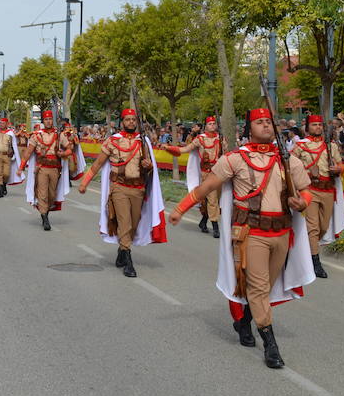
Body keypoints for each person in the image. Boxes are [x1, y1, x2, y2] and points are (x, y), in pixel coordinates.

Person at [168, 107, 314, 369]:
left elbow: (306, 192)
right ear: (249, 128)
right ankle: (270, 344)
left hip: (281, 232)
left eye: (269, 122)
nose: (266, 126)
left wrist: (302, 203)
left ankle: (244, 320)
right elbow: (207, 186)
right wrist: (180, 209)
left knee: (265, 288)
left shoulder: (288, 160)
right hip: (251, 233)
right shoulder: (235, 159)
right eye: (260, 122)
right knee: (258, 288)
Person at [79, 108, 165, 277]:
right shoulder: (113, 141)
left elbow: (150, 171)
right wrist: (84, 183)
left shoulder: (144, 142)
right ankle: (128, 262)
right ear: (122, 122)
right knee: (124, 222)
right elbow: (97, 165)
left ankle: (122, 250)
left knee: (132, 225)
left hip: (138, 189)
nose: (131, 122)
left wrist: (149, 167)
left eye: (134, 119)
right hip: (119, 188)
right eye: (128, 119)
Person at [290, 114, 344, 279]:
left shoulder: (331, 146)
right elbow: (291, 166)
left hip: (328, 190)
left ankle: (308, 249)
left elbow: (340, 164)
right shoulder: (299, 146)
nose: (318, 127)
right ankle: (315, 262)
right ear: (307, 127)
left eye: (320, 125)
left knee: (323, 227)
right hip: (310, 189)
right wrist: (306, 172)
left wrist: (338, 169)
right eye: (314, 125)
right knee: (313, 227)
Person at [161, 116, 224, 238]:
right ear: (206, 126)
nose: (212, 126)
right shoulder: (200, 139)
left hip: (219, 173)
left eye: (214, 123)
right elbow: (185, 149)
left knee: (213, 200)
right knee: (212, 200)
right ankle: (216, 228)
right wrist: (169, 148)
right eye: (210, 124)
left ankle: (203, 222)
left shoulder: (220, 139)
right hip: (206, 173)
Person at [19, 110, 64, 231]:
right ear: (43, 121)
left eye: (50, 119)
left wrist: (63, 153)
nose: (48, 121)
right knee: (42, 194)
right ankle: (45, 218)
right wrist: (21, 167)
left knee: (51, 195)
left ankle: (45, 212)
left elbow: (69, 149)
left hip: (54, 168)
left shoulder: (60, 135)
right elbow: (28, 152)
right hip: (42, 168)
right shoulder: (36, 135)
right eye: (46, 119)